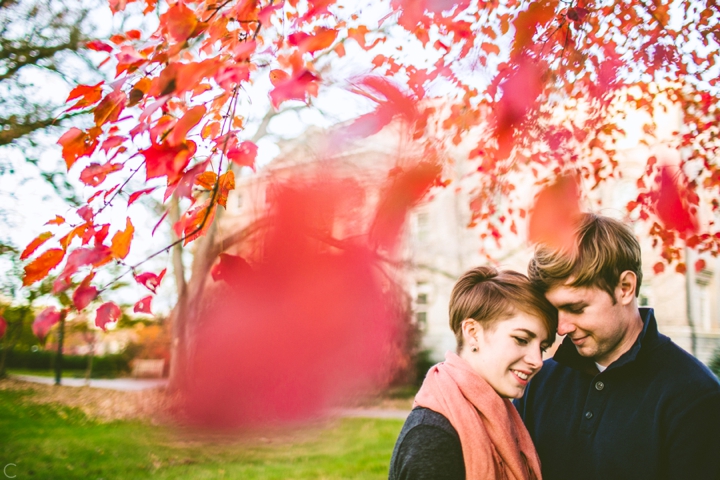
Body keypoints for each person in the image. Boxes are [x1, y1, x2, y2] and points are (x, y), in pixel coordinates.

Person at [515, 213, 720, 480]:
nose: (561, 328)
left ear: (625, 287)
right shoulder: (539, 380)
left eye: (575, 308)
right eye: (554, 311)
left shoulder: (695, 397)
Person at [389, 266, 557, 480]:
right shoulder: (433, 439)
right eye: (521, 340)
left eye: (542, 348)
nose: (537, 361)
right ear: (473, 333)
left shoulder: (502, 420)